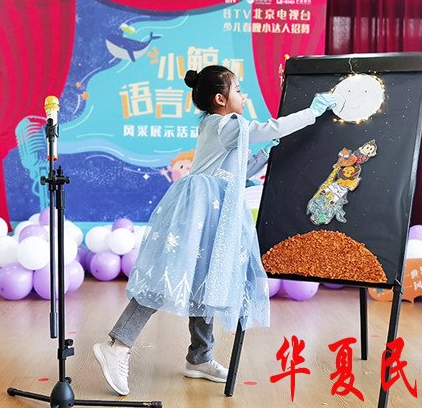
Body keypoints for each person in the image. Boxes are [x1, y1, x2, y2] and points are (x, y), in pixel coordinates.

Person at [93, 65, 337, 396]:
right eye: (237, 90)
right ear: (221, 99)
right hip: (201, 211)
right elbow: (271, 126)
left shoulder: (222, 127)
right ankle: (118, 345)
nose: (243, 96)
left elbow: (237, 172)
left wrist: (266, 152)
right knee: (168, 277)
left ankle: (200, 357)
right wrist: (313, 112)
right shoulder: (225, 124)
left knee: (210, 281)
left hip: (214, 212)